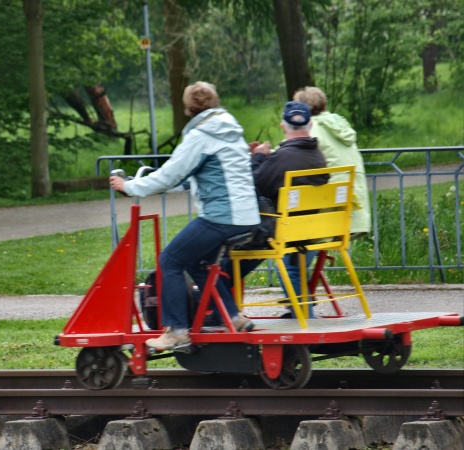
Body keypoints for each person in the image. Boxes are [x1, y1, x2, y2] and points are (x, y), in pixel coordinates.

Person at [109, 81, 260, 350]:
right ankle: (234, 317)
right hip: (246, 215)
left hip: (222, 217)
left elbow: (170, 174)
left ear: (189, 108)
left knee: (169, 260)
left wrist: (129, 186)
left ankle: (177, 330)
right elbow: (194, 177)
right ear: (215, 101)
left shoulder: (200, 135)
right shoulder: (231, 130)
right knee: (196, 261)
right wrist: (152, 184)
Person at [223, 101, 329, 318]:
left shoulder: (282, 158)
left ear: (283, 126)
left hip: (281, 232)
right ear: (309, 125)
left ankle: (221, 307)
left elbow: (253, 184)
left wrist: (259, 157)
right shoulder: (318, 157)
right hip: (307, 231)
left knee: (230, 250)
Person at [292, 86, 371, 238]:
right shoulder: (339, 126)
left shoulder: (310, 129)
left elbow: (289, 154)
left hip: (329, 213)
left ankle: (292, 263)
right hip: (353, 211)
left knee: (291, 235)